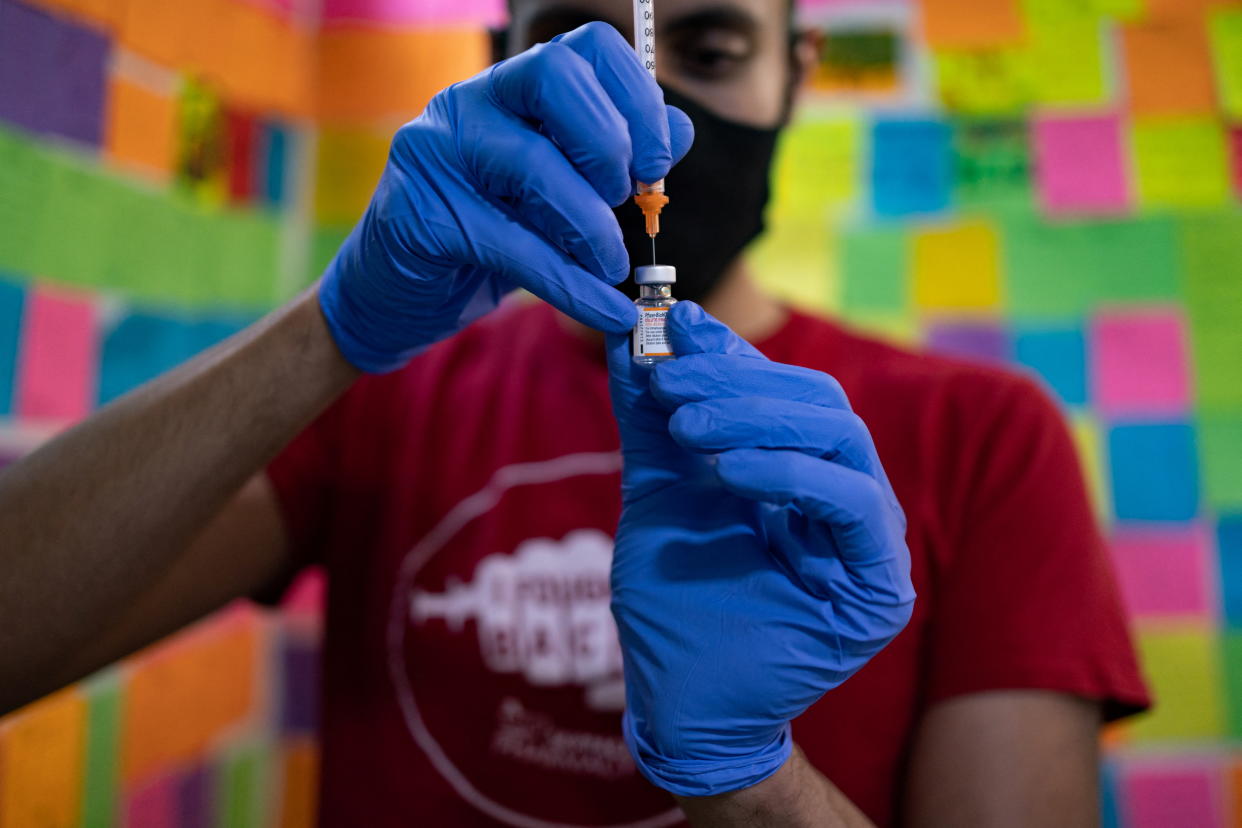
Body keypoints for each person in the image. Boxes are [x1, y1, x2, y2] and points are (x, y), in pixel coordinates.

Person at [0, 0, 1148, 824]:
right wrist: (331, 326)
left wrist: (748, 777)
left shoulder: (985, 437)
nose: (645, 107)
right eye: (569, 43)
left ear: (796, 70)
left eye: (710, 46)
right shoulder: (380, 395)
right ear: (499, 58)